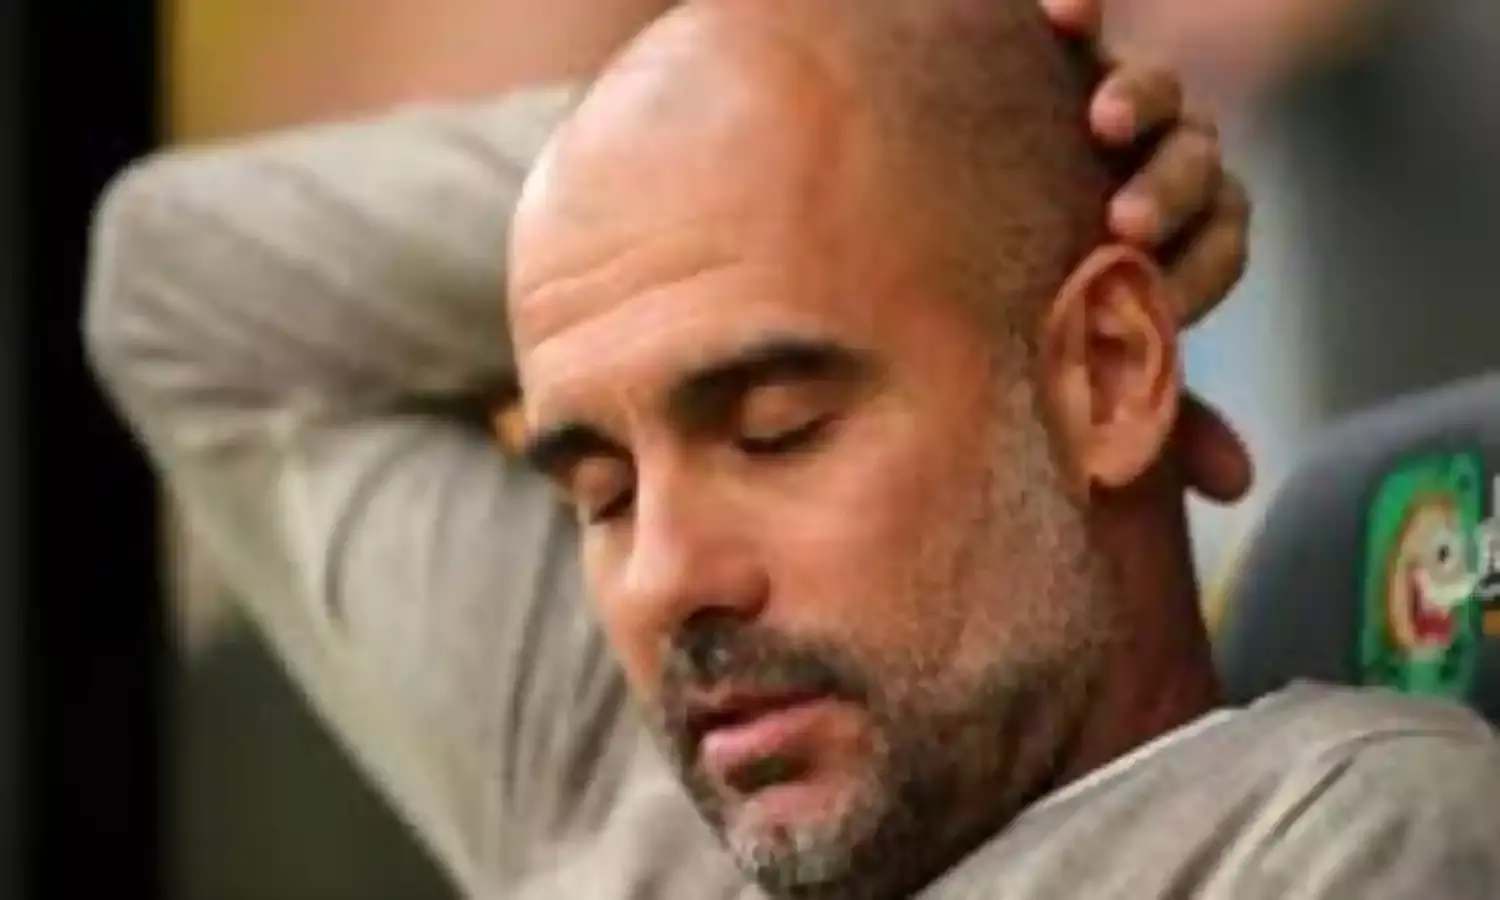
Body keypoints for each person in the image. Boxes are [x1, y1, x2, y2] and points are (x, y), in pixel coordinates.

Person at [86, 1, 1255, 897]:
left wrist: (959, 152)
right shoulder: (633, 800)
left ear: (1110, 373)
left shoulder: (1311, 837)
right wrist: (915, 129)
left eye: (775, 434)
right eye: (600, 497)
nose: (659, 579)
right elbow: (181, 287)